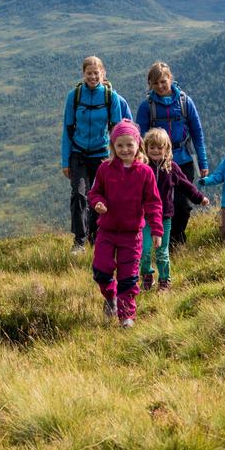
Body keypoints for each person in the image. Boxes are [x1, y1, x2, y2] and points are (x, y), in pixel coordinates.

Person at [87, 120, 163, 328]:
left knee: (128, 277)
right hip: (107, 231)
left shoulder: (145, 172)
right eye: (119, 145)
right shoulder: (105, 169)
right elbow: (94, 192)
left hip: (132, 234)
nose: (125, 149)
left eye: (129, 144)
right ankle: (110, 297)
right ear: (112, 146)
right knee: (101, 270)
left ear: (138, 144)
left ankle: (126, 316)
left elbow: (153, 203)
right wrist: (98, 203)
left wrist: (156, 229)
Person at [61, 56, 132, 254]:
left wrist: (117, 158)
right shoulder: (74, 96)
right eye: (89, 73)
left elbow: (118, 131)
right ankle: (79, 241)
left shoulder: (111, 97)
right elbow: (67, 130)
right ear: (83, 74)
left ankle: (95, 236)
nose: (93, 76)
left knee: (99, 198)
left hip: (101, 155)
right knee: (78, 194)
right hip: (78, 153)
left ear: (103, 73)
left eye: (96, 73)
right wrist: (65, 160)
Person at [136, 62, 209, 250]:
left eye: (163, 81)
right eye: (156, 83)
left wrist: (203, 163)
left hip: (182, 159)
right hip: (156, 163)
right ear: (151, 85)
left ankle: (176, 241)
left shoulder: (185, 103)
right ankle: (160, 243)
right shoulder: (147, 107)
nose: (160, 86)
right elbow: (140, 138)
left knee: (182, 205)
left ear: (170, 79)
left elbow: (197, 133)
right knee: (159, 204)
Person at [140, 128, 209, 291]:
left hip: (165, 217)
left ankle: (165, 280)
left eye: (159, 147)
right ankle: (147, 276)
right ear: (146, 148)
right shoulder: (142, 167)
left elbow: (186, 186)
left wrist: (199, 198)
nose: (155, 151)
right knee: (144, 251)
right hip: (145, 217)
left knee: (162, 251)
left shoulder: (171, 168)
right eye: (152, 147)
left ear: (167, 149)